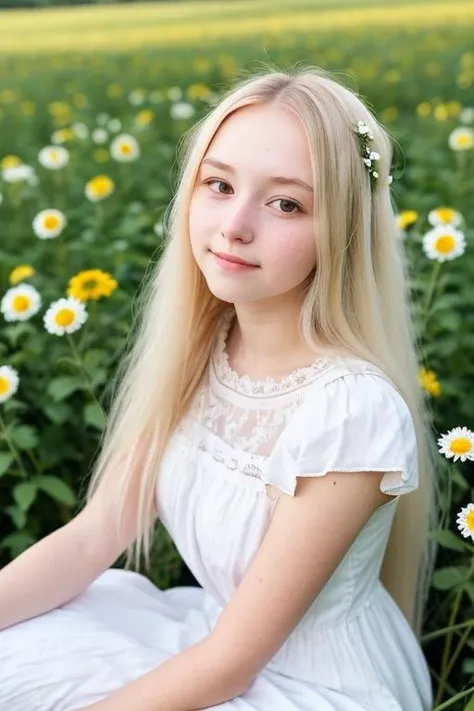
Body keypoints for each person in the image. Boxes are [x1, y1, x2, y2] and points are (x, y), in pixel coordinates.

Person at [0, 64, 438, 711]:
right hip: (218, 635)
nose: (235, 224)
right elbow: (97, 534)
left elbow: (234, 662)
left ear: (340, 232)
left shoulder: (351, 410)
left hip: (313, 686)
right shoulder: (201, 349)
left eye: (286, 202)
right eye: (219, 184)